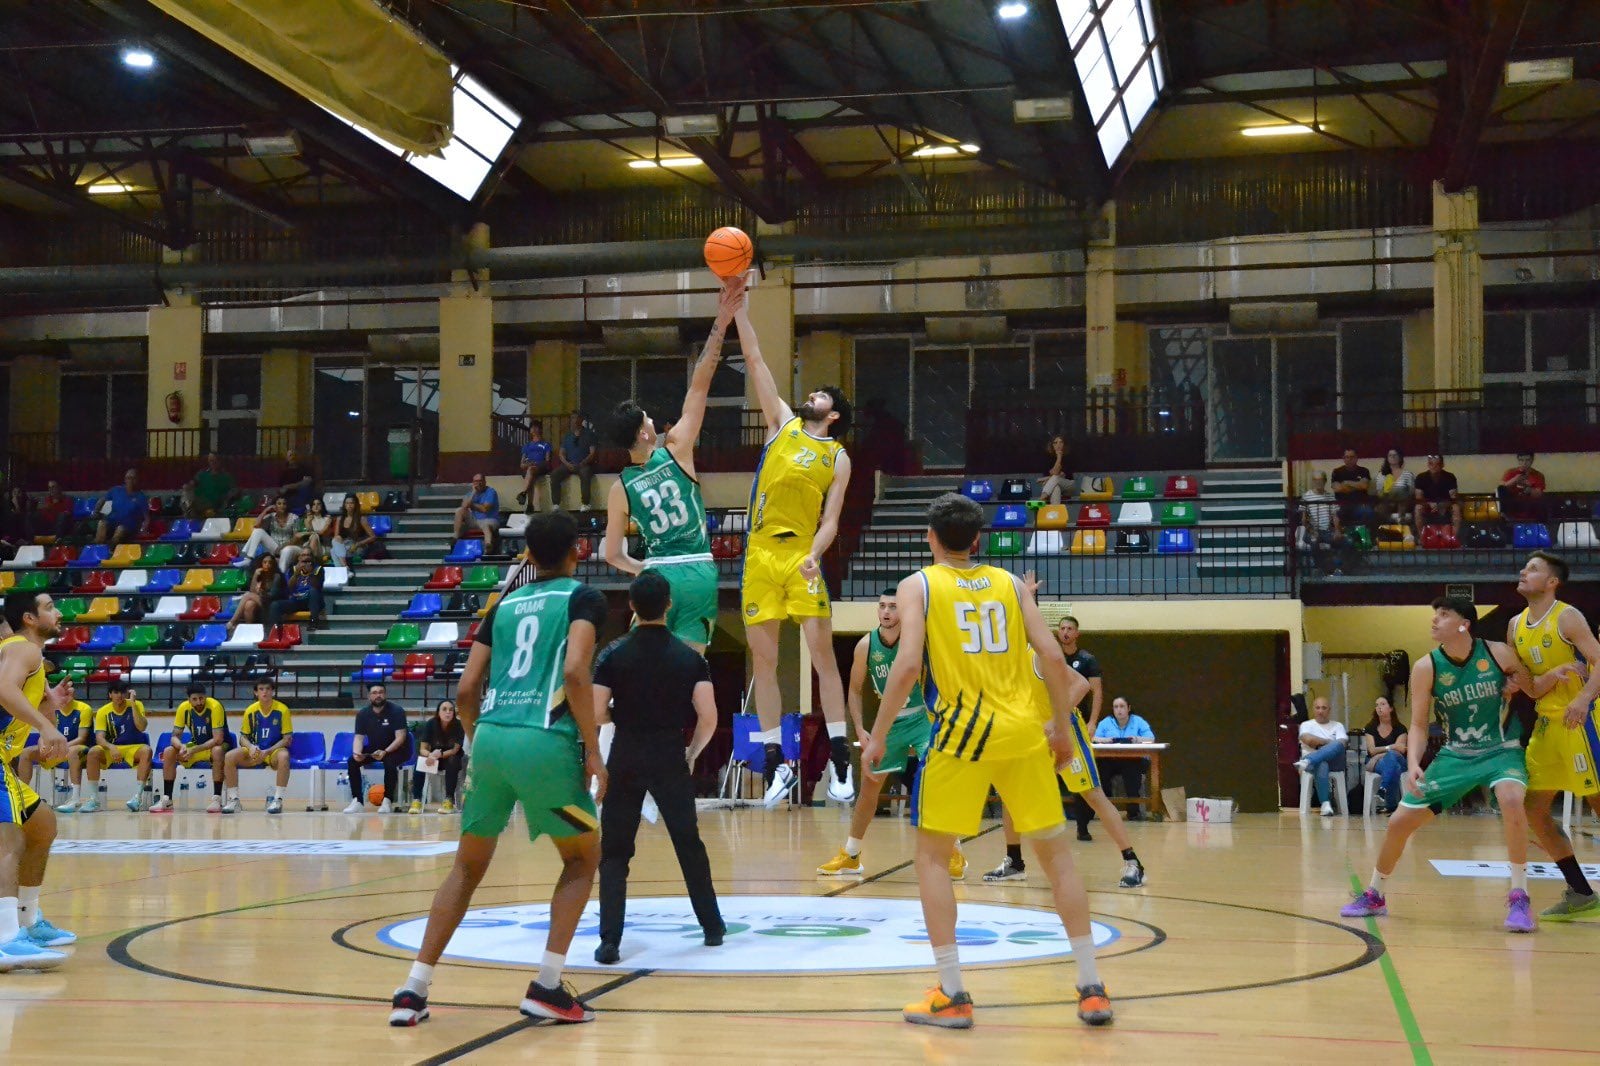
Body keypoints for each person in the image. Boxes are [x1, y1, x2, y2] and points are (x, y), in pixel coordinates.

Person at [862, 492, 1112, 1029]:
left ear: (930, 538)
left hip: (959, 736)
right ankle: (1091, 987)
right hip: (1024, 733)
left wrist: (878, 736)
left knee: (931, 859)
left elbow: (907, 666)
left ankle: (952, 993)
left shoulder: (918, 585)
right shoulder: (1010, 582)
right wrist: (1064, 728)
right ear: (977, 540)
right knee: (1058, 859)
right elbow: (1052, 654)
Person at [387, 511, 608, 1028]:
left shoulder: (503, 605)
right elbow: (575, 671)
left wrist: (473, 737)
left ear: (528, 556)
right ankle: (549, 986)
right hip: (545, 744)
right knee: (581, 859)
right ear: (577, 550)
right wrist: (594, 750)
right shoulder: (584, 598)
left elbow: (466, 690)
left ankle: (413, 988)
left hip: (489, 741)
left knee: (466, 868)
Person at [1340, 597, 1542, 932]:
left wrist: (1524, 681)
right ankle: (1375, 894)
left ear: (1465, 624)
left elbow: (1531, 688)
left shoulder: (1498, 653)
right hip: (1455, 755)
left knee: (1510, 799)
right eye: (1434, 615)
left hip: (1500, 749)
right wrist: (1414, 761)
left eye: (1444, 615)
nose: (1435, 621)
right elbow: (1418, 724)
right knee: (1400, 822)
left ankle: (1519, 896)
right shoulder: (1426, 667)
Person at [731, 279, 857, 808]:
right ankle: (779, 763)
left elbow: (832, 520)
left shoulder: (838, 458)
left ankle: (839, 761)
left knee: (822, 659)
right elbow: (757, 361)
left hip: (801, 554)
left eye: (821, 395)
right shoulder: (782, 423)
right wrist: (737, 310)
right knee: (763, 661)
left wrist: (816, 553)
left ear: (833, 415)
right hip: (759, 552)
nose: (811, 394)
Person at [591, 571, 723, 963]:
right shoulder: (690, 658)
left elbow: (598, 712)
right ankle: (712, 927)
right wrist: (692, 752)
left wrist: (621, 719)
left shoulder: (612, 655)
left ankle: (610, 941)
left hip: (627, 755)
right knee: (688, 845)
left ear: (631, 606)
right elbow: (709, 717)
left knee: (615, 852)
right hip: (669, 755)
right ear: (669, 606)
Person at [602, 279, 740, 653]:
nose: (652, 421)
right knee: (688, 670)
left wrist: (643, 568)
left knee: (645, 671)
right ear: (645, 435)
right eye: (647, 420)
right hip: (697, 570)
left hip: (658, 575)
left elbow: (610, 554)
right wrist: (721, 322)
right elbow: (700, 385)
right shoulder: (677, 449)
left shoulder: (620, 488)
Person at [984, 598, 1146, 889]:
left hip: (1065, 731)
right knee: (1011, 795)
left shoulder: (1036, 654)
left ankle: (1132, 861)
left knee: (1092, 794)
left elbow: (1082, 685)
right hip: (1033, 738)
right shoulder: (1001, 661)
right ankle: (1015, 861)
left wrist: (1055, 720)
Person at [818, 589, 967, 880]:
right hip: (890, 725)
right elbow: (855, 690)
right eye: (882, 606)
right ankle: (851, 855)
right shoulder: (865, 646)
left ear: (904, 612)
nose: (886, 611)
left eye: (893, 607)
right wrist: (860, 727)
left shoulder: (920, 640)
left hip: (923, 718)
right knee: (869, 789)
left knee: (935, 783)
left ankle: (954, 850)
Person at [1505, 551, 1600, 921]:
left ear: (1552, 582)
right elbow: (1531, 688)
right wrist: (1530, 681)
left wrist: (1582, 696)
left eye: (1532, 569)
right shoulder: (1515, 625)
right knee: (1533, 809)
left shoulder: (1568, 616)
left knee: (1597, 803)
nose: (1523, 572)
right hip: (1547, 724)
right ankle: (1580, 891)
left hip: (1582, 720)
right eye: (1525, 567)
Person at [0, 590, 79, 967]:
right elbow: (3, 690)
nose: (58, 612)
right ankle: (5, 937)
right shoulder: (23, 649)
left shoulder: (33, 658)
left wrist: (50, 706)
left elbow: (16, 705)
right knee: (8, 840)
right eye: (49, 607)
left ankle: (28, 921)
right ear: (29, 618)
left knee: (42, 824)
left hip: (3, 757)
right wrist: (47, 725)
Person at [151, 684, 230, 813]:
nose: (199, 702)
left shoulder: (215, 707)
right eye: (195, 699)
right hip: (197, 746)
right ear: (189, 699)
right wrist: (181, 746)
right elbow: (174, 737)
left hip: (220, 746)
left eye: (201, 698)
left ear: (206, 696)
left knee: (217, 751)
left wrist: (193, 750)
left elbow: (218, 739)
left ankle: (217, 799)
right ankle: (167, 799)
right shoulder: (183, 708)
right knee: (169, 751)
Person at [18, 678, 93, 813]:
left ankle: (75, 798)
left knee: (73, 751)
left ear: (73, 694)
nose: (66, 696)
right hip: (58, 749)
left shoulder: (84, 709)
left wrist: (62, 746)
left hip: (77, 748)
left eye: (69, 693)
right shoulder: (52, 707)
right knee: (26, 753)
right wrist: (42, 746)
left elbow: (82, 738)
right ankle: (22, 796)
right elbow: (44, 732)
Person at [220, 680, 293, 814]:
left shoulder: (282, 710)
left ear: (272, 691)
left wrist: (268, 751)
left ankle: (278, 800)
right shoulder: (250, 710)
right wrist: (252, 747)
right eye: (261, 689)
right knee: (229, 756)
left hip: (273, 751)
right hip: (255, 751)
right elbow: (243, 738)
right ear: (256, 692)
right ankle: (234, 800)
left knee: (284, 755)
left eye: (267, 688)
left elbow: (287, 739)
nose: (264, 692)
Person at [85, 681, 153, 812]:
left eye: (122, 692)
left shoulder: (137, 705)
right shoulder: (102, 711)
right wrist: (111, 747)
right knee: (93, 751)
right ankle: (94, 799)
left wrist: (133, 704)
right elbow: (99, 738)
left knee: (147, 750)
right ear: (110, 694)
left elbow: (142, 727)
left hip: (134, 747)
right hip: (112, 748)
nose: (119, 695)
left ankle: (137, 797)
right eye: (116, 692)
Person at [345, 684, 409, 814]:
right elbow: (359, 738)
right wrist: (357, 753)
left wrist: (385, 752)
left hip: (396, 749)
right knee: (353, 761)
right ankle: (357, 800)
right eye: (374, 693)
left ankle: (387, 800)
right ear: (369, 696)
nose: (378, 695)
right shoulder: (363, 714)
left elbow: (400, 737)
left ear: (385, 694)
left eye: (381, 692)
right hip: (375, 748)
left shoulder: (397, 711)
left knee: (390, 762)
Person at [1093, 697, 1155, 819]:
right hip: (1110, 761)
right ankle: (1107, 811)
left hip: (1132, 760)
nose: (1119, 710)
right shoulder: (1105, 723)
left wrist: (1137, 739)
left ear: (1128, 708)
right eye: (1116, 707)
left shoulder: (1138, 721)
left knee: (1133, 775)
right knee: (1101, 773)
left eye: (1122, 706)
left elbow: (1151, 738)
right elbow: (1094, 738)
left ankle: (1133, 812)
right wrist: (1105, 740)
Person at [408, 700, 465, 815]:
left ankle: (449, 800)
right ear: (438, 712)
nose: (448, 712)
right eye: (444, 709)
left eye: (451, 710)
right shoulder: (431, 724)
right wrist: (431, 755)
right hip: (434, 759)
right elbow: (422, 749)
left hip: (451, 758)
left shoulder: (458, 725)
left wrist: (440, 755)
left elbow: (455, 749)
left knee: (452, 761)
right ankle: (417, 800)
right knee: (421, 762)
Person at [1295, 696, 1348, 816]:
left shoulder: (1338, 725)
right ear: (1313, 709)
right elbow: (1308, 740)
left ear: (1329, 710)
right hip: (1316, 765)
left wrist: (1325, 744)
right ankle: (1325, 804)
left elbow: (1342, 744)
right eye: (1317, 708)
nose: (1320, 711)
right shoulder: (1306, 725)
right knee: (1322, 763)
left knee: (1338, 744)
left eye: (1324, 708)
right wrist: (1331, 743)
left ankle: (1308, 760)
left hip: (1334, 762)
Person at [1299, 471, 1353, 575]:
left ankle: (1340, 567)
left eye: (1321, 480)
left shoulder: (1330, 497)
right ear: (1313, 482)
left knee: (1347, 542)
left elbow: (1335, 516)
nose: (1318, 483)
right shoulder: (1306, 497)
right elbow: (1304, 520)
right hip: (1311, 530)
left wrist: (1337, 531)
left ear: (1325, 481)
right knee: (1314, 541)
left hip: (1327, 531)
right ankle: (1319, 569)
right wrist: (1312, 530)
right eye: (1316, 480)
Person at [1362, 695, 1408, 815]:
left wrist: (1379, 754)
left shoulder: (1400, 728)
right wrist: (1390, 747)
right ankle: (1391, 805)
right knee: (1394, 767)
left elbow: (1400, 750)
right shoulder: (1370, 727)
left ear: (1391, 708)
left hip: (1397, 760)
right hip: (1376, 763)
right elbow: (1371, 750)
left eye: (1382, 704)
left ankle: (1383, 789)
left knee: (1393, 756)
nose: (1379, 708)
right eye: (1377, 705)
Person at [550, 412, 598, 511]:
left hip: (583, 464)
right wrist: (567, 464)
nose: (575, 420)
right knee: (554, 474)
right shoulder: (567, 436)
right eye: (572, 418)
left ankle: (585, 503)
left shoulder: (589, 434)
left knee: (585, 474)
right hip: (569, 465)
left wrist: (583, 463)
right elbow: (561, 454)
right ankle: (556, 504)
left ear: (581, 420)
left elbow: (592, 453)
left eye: (577, 418)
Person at [235, 494, 299, 569]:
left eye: (284, 504)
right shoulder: (271, 516)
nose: (282, 506)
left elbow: (296, 538)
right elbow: (256, 525)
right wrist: (266, 510)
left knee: (287, 551)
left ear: (287, 505)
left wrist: (281, 547)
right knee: (258, 531)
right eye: (279, 503)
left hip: (287, 548)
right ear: (275, 506)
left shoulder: (294, 517)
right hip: (274, 548)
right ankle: (249, 559)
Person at [226, 554, 283, 636]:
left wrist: (262, 593)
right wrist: (255, 575)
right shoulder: (260, 574)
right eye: (265, 562)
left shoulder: (276, 576)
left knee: (247, 595)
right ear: (261, 563)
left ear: (273, 564)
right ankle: (250, 632)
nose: (267, 564)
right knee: (249, 604)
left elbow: (273, 595)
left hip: (272, 604)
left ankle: (232, 622)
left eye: (270, 563)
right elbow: (253, 591)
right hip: (261, 602)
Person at [269, 551, 326, 629]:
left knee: (313, 592)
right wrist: (296, 574)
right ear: (299, 558)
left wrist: (310, 572)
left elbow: (317, 587)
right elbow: (289, 588)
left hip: (312, 600)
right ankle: (276, 631)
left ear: (312, 558)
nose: (306, 557)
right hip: (296, 600)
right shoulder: (292, 569)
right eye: (303, 555)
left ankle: (314, 622)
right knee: (275, 605)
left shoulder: (318, 569)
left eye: (308, 555)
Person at [94, 469, 148, 545]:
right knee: (102, 523)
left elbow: (146, 519)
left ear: (137, 480)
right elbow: (103, 501)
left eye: (133, 478)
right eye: (128, 478)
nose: (130, 480)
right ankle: (97, 549)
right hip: (112, 524)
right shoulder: (116, 490)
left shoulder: (141, 497)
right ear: (125, 479)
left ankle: (112, 550)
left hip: (128, 528)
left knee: (120, 529)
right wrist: (96, 512)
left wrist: (142, 530)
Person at [1413, 454, 1461, 537]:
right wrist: (1428, 504)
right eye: (1431, 464)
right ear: (1428, 465)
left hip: (1445, 504)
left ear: (1442, 465)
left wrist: (1442, 505)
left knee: (1456, 508)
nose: (1434, 467)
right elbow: (1418, 498)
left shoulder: (1450, 477)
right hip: (1427, 505)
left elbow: (1453, 498)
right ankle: (1422, 538)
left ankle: (1453, 538)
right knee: (1418, 508)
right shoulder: (1421, 477)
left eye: (1437, 464)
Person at [453, 474, 502, 555]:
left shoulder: (491, 492)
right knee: (459, 511)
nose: (478, 483)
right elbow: (464, 506)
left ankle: (488, 545)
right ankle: (455, 537)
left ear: (485, 482)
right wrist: (474, 492)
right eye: (476, 481)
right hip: (475, 520)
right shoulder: (470, 493)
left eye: (480, 481)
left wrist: (472, 505)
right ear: (473, 483)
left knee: (486, 524)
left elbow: (485, 509)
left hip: (490, 519)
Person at [283, 496, 332, 569]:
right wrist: (309, 522)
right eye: (314, 504)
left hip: (323, 546)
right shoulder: (307, 519)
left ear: (322, 506)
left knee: (314, 536)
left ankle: (311, 564)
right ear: (311, 507)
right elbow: (310, 532)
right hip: (309, 544)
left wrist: (311, 533)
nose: (316, 506)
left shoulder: (327, 518)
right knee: (313, 537)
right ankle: (309, 563)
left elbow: (322, 532)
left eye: (318, 504)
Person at [1498, 452, 1547, 524]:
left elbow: (1539, 493)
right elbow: (1501, 488)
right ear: (1518, 460)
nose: (1524, 463)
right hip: (1512, 503)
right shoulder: (1511, 472)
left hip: (1529, 504)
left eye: (1527, 460)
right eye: (1521, 460)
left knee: (1543, 502)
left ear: (1532, 460)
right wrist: (1514, 480)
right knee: (1502, 489)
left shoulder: (1538, 475)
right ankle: (1506, 517)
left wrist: (1528, 489)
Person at [1329, 448, 1373, 529]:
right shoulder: (1337, 472)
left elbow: (1364, 486)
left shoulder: (1364, 471)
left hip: (1360, 505)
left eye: (1352, 457)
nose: (1349, 459)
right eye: (1347, 457)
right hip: (1342, 506)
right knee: (1334, 514)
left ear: (1356, 458)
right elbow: (1337, 488)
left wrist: (1346, 483)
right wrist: (1357, 486)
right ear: (1343, 458)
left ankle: (1366, 537)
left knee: (1368, 511)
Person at [331, 493, 379, 566]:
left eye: (352, 503)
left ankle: (344, 570)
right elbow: (336, 537)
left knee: (333, 552)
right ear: (344, 505)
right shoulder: (339, 519)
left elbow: (373, 537)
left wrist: (358, 544)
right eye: (347, 503)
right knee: (335, 548)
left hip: (356, 546)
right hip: (343, 545)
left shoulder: (361, 519)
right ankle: (345, 568)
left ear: (356, 504)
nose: (349, 505)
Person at [518, 419, 553, 515]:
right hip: (530, 467)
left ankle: (524, 494)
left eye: (535, 427)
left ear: (539, 429)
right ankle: (529, 504)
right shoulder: (527, 445)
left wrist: (537, 464)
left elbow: (547, 460)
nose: (532, 429)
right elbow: (522, 464)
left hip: (541, 466)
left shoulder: (545, 444)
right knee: (531, 473)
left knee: (531, 471)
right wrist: (528, 464)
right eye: (531, 427)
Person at [189, 453, 238, 519]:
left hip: (218, 505)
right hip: (201, 505)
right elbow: (192, 484)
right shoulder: (201, 474)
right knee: (188, 494)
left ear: (220, 461)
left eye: (215, 460)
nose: (213, 463)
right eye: (211, 461)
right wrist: (189, 486)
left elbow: (234, 490)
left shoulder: (226, 477)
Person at [1377, 449, 1415, 526]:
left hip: (1405, 502)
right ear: (1387, 458)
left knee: (1401, 493)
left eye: (1395, 455)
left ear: (1400, 458)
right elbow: (1379, 493)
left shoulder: (1408, 474)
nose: (1393, 457)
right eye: (1390, 455)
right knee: (1380, 508)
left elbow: (1411, 492)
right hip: (1387, 501)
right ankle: (1387, 532)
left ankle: (1401, 525)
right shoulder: (1381, 475)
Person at [277, 449, 317, 514]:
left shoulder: (305, 468)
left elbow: (307, 482)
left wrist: (288, 486)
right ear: (287, 458)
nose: (293, 457)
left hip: (301, 497)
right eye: (290, 455)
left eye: (294, 455)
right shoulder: (283, 471)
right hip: (287, 499)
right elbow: (280, 488)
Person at [1040, 435, 1071, 504]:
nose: (1058, 445)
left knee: (1055, 478)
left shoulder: (1068, 457)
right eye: (1055, 443)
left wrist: (1059, 457)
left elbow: (1057, 474)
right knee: (1056, 488)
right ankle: (1055, 512)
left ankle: (1042, 497)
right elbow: (1054, 473)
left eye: (1061, 442)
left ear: (1064, 444)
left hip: (1068, 485)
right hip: (1053, 484)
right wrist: (1058, 458)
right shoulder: (1048, 458)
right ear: (1052, 445)